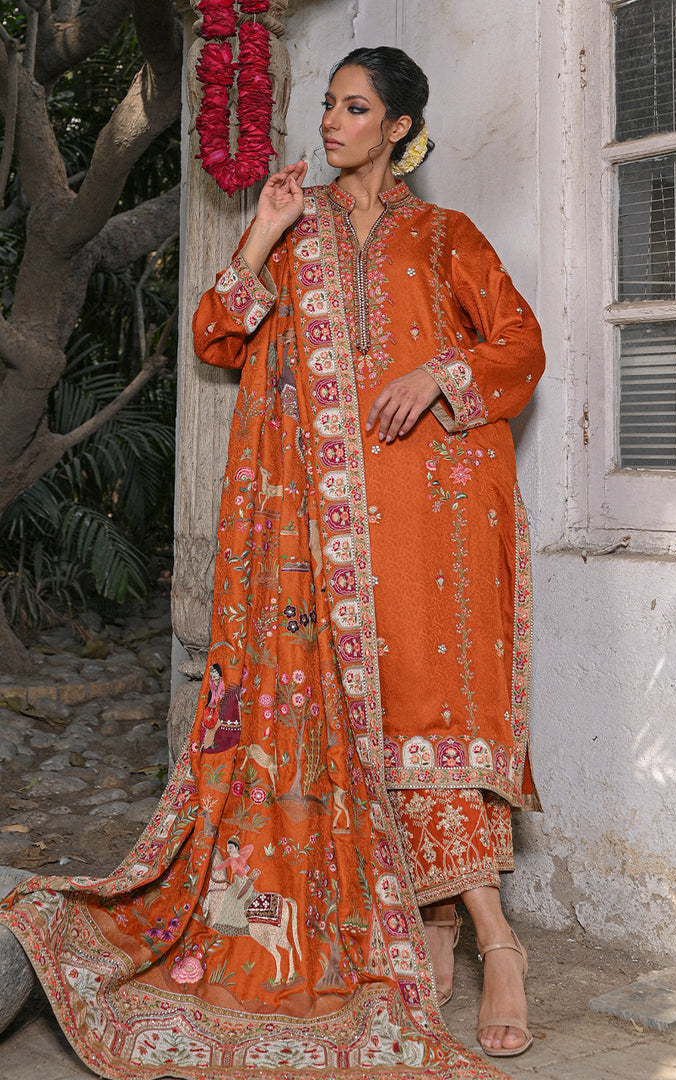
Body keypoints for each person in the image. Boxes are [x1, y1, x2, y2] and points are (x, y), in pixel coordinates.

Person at [0, 45, 544, 1078]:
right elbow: (217, 335)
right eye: (328, 104)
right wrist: (259, 231)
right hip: (315, 543)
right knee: (355, 724)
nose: (331, 121)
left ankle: (493, 941)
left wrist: (437, 375)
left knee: (433, 724)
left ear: (398, 127)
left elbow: (518, 344)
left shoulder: (445, 237)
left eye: (354, 107)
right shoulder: (296, 234)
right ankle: (436, 931)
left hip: (430, 524)